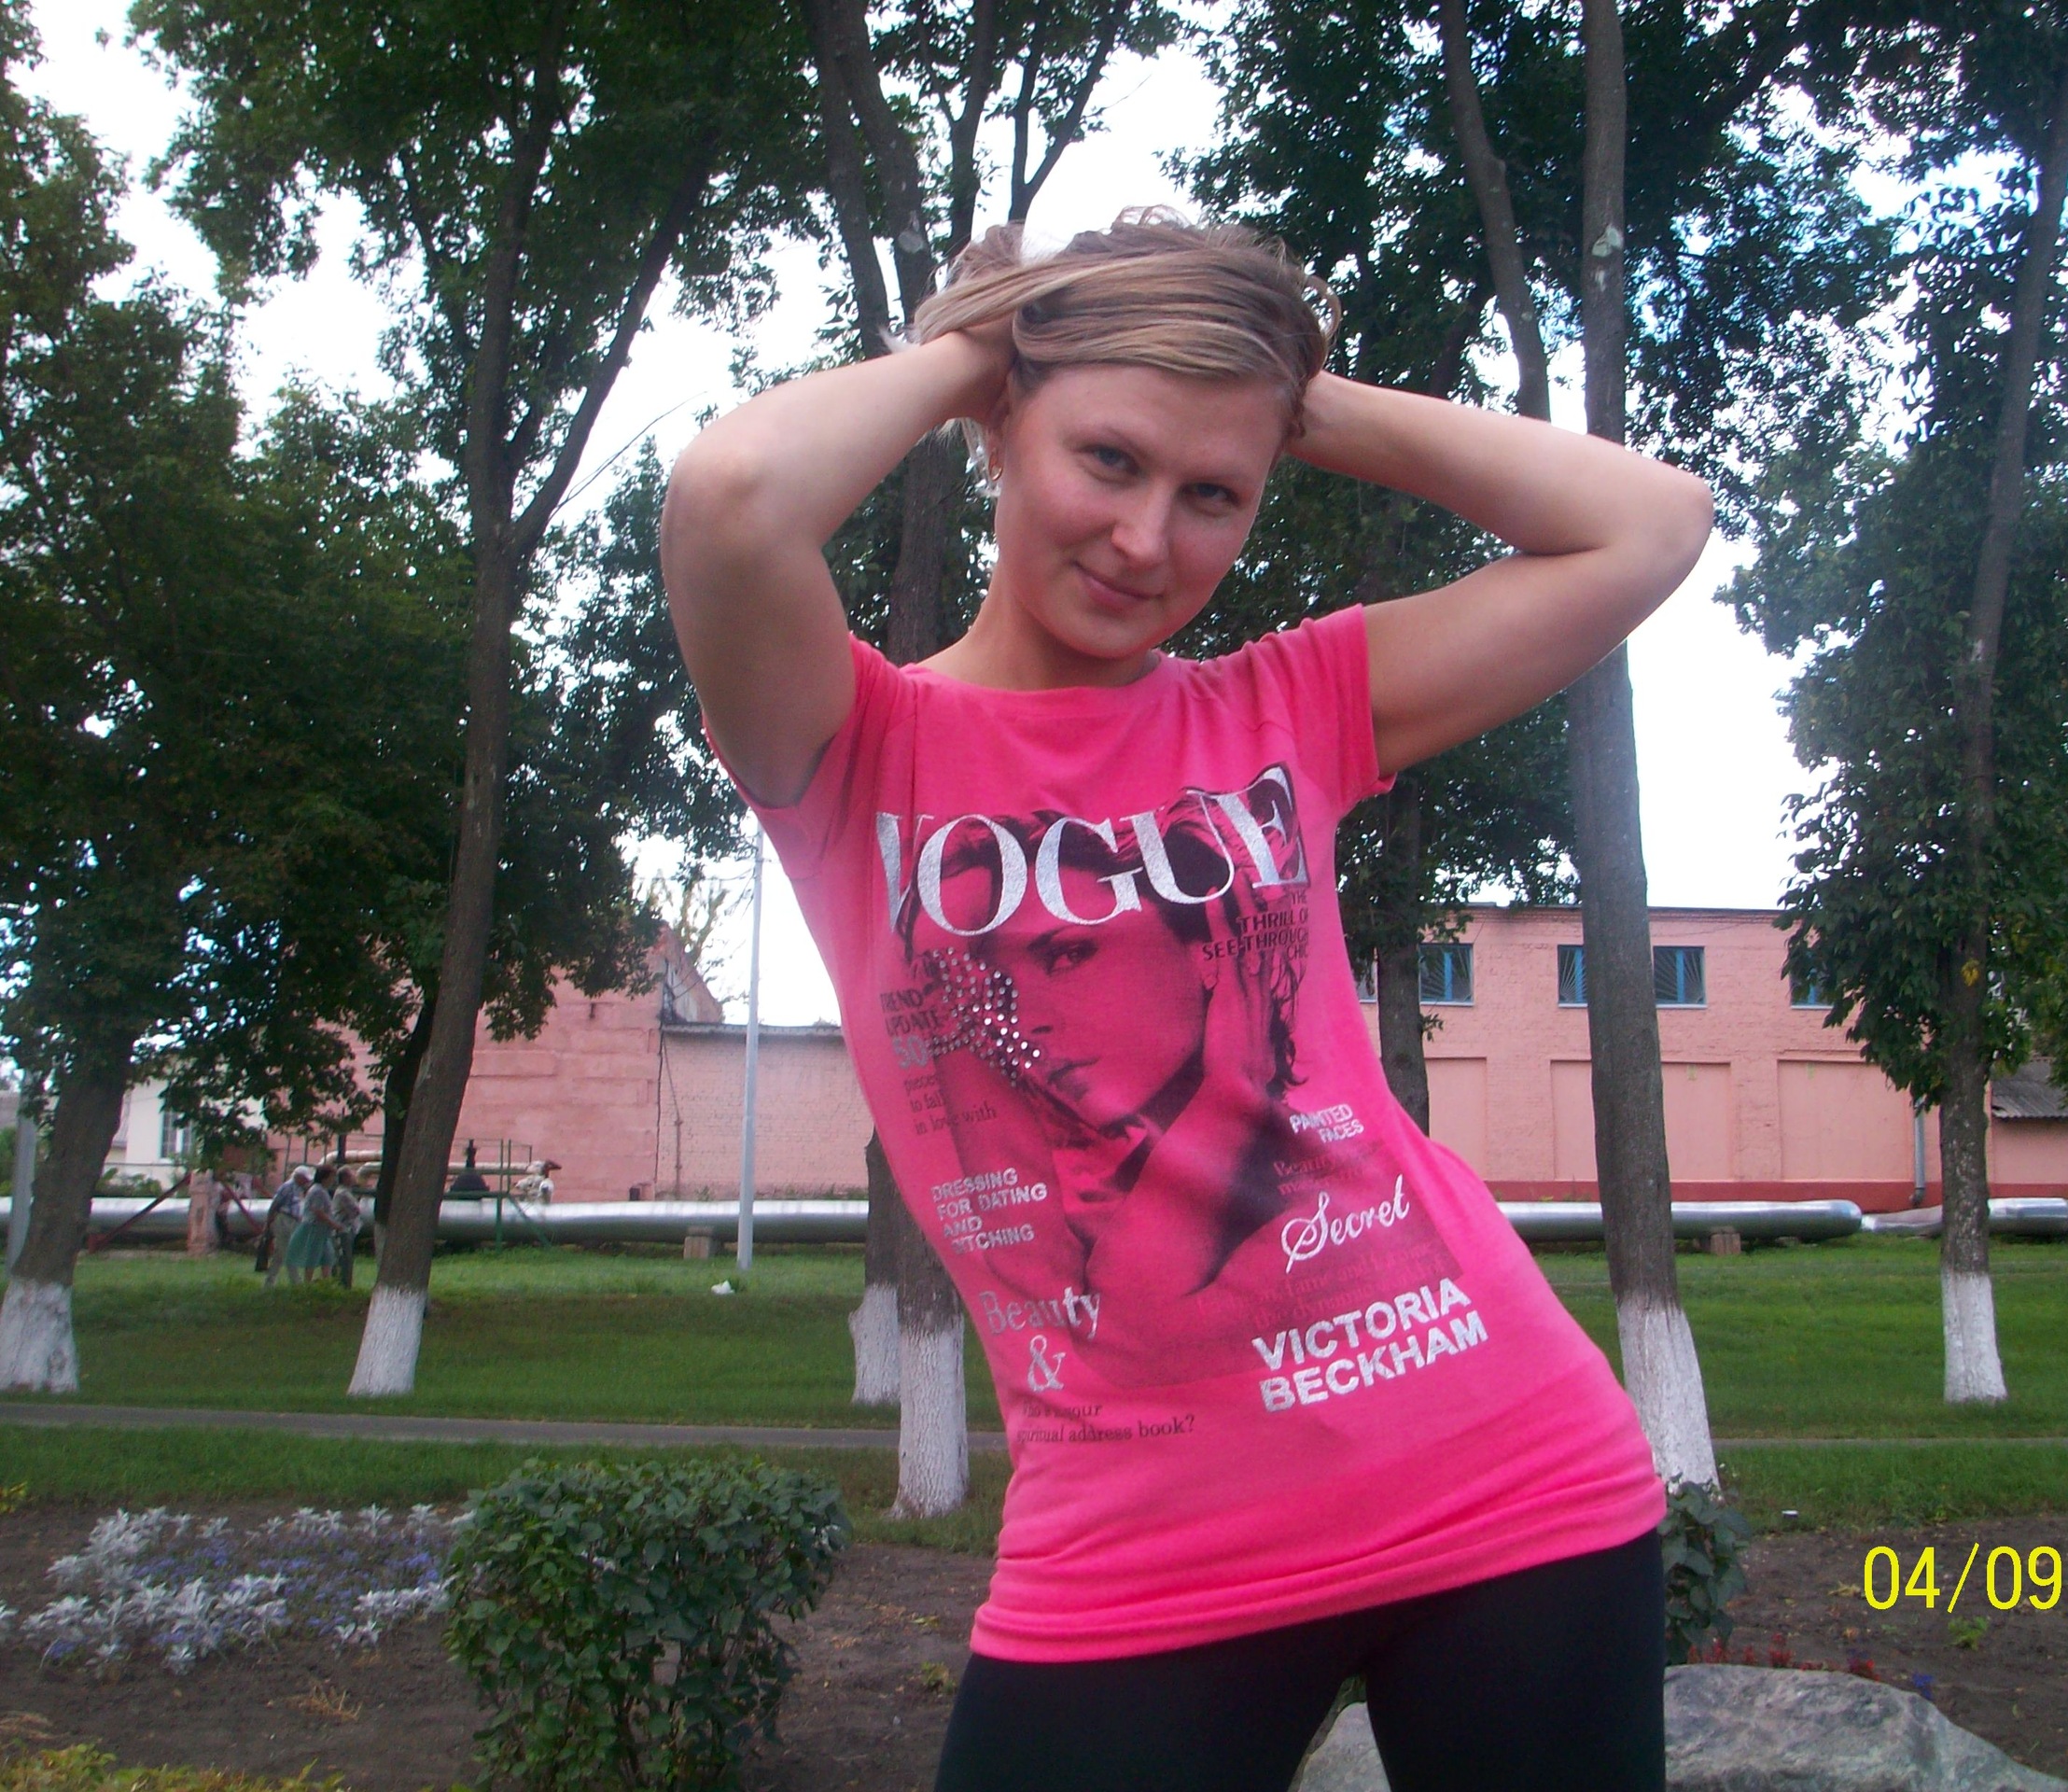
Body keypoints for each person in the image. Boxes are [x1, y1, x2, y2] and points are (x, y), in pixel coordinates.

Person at [664, 210, 1713, 1792]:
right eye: (1109, 459)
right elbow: (732, 498)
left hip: (1504, 1474)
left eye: (1212, 493)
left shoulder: (1289, 705)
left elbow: (1652, 523)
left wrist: (1293, 398)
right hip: (1138, 1540)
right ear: (1003, 430)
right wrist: (982, 344)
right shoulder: (851, 744)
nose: (1147, 540)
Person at [260, 1165, 309, 1286]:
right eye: (305, 1179)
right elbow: (275, 1205)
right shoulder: (287, 1187)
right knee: (288, 1251)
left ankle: (269, 1282)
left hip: (293, 1221)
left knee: (279, 1253)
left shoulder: (299, 1188)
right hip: (284, 1220)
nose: (307, 1181)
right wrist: (268, 1223)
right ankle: (296, 1282)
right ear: (298, 1177)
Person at [286, 1173, 335, 1284]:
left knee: (328, 1256)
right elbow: (317, 1211)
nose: (333, 1179)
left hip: (323, 1230)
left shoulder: (322, 1190)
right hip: (315, 1227)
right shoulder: (318, 1191)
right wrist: (333, 1223)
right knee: (313, 1255)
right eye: (332, 1177)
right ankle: (307, 1282)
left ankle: (326, 1282)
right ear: (325, 1178)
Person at [328, 1169, 365, 1289]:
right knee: (345, 1258)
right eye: (351, 1176)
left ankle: (340, 1282)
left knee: (344, 1257)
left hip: (348, 1229)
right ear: (345, 1178)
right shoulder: (343, 1193)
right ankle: (344, 1284)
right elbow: (355, 1210)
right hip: (343, 1230)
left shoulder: (346, 1192)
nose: (354, 1178)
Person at [184, 1168, 218, 1257]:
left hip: (204, 1199)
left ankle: (203, 1243)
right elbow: (192, 1189)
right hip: (197, 1199)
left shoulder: (208, 1173)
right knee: (196, 1220)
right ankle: (195, 1243)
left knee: (204, 1220)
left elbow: (208, 1188)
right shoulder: (195, 1173)